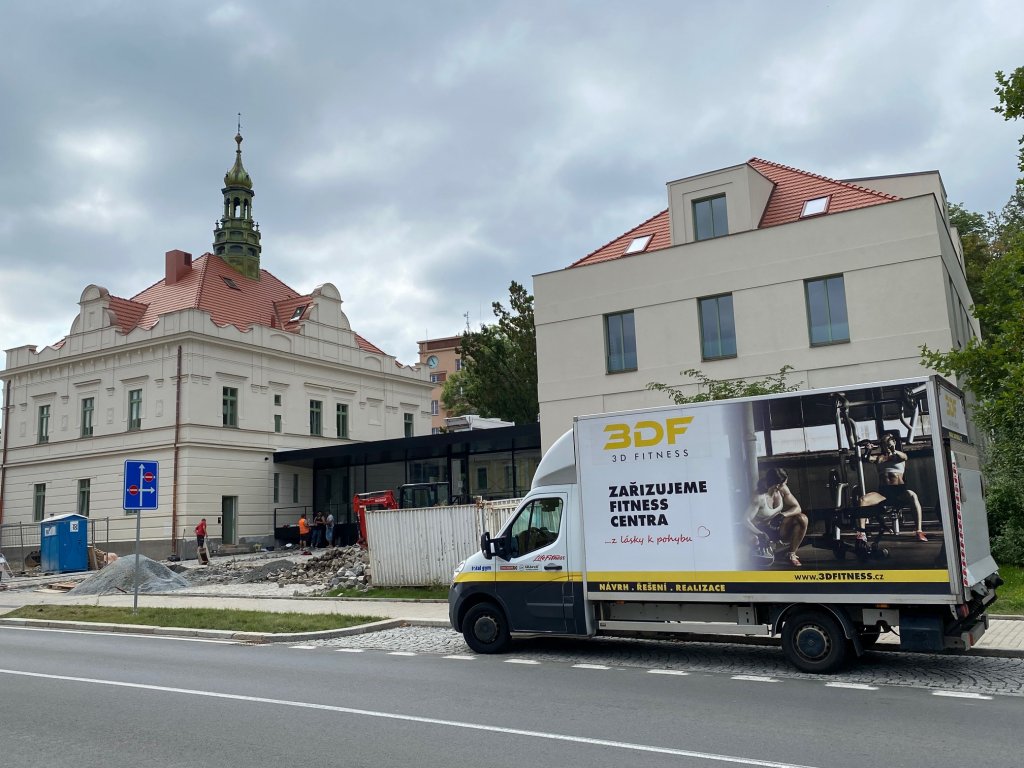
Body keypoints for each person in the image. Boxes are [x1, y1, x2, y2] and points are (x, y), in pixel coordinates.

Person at [859, 433, 927, 542]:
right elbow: (867, 459)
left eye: (887, 442)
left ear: (893, 442)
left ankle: (919, 531)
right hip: (884, 494)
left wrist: (893, 450)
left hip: (899, 492)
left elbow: (905, 457)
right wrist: (868, 450)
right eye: (883, 443)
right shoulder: (879, 458)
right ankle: (861, 533)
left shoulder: (899, 456)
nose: (885, 445)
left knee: (912, 495)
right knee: (863, 500)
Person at [745, 467, 807, 567]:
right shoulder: (759, 497)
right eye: (784, 483)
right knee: (760, 556)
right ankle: (762, 547)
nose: (785, 485)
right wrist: (760, 534)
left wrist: (782, 515)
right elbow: (745, 520)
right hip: (761, 531)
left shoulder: (782, 489)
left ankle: (791, 554)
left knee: (802, 519)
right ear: (777, 485)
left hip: (777, 528)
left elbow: (797, 507)